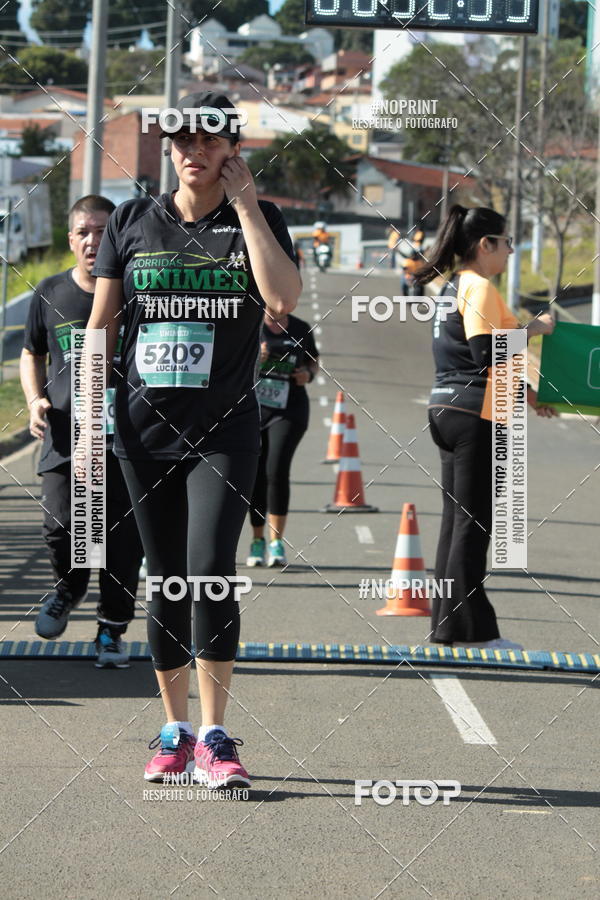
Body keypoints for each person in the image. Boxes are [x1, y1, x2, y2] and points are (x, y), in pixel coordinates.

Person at [87, 92, 301, 786]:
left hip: (225, 433)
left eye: (208, 141)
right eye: (181, 140)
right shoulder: (131, 220)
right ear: (168, 147)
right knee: (168, 583)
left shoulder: (260, 220)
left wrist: (245, 207)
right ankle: (173, 730)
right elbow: (101, 324)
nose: (193, 152)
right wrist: (92, 415)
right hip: (143, 433)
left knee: (209, 570)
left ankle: (215, 733)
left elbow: (282, 299)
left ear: (230, 148)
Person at [414, 205, 555, 650]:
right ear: (485, 245)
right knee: (472, 527)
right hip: (474, 415)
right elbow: (484, 353)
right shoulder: (479, 286)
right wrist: (534, 328)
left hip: (448, 408)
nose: (511, 251)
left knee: (457, 523)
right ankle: (473, 632)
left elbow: (478, 359)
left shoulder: (453, 286)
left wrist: (531, 396)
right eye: (508, 242)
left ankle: (446, 626)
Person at [20, 195, 144, 668]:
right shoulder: (50, 291)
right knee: (61, 527)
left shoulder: (135, 293)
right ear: (71, 239)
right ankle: (67, 589)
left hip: (126, 438)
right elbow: (31, 351)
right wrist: (35, 400)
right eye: (84, 232)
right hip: (66, 436)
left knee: (122, 542)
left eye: (103, 230)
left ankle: (111, 631)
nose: (94, 241)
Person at [246, 313, 319, 568]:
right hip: (252, 409)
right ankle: (257, 540)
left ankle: (277, 542)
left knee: (276, 470)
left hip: (289, 409)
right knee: (255, 474)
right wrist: (256, 358)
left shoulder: (300, 327)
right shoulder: (249, 322)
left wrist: (307, 375)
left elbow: (313, 361)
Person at [399, 228, 425, 296]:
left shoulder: (420, 262)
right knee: (403, 281)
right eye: (413, 255)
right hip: (408, 276)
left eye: (415, 255)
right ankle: (404, 294)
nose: (414, 256)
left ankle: (421, 295)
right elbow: (404, 269)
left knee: (421, 283)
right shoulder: (407, 261)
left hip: (415, 276)